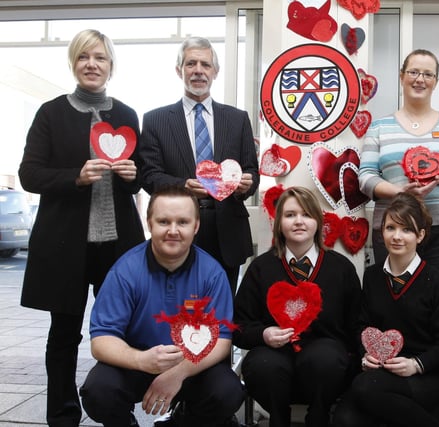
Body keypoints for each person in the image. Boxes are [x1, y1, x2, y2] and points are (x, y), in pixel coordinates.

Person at [18, 29, 145, 427]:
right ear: (73, 63)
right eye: (84, 57)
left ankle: (114, 405)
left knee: (121, 330)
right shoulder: (51, 113)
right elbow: (29, 174)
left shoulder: (126, 114)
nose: (92, 64)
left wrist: (131, 174)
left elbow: (136, 181)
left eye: (100, 58)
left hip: (117, 244)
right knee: (64, 335)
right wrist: (76, 175)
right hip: (66, 245)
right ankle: (62, 413)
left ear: (111, 65)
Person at [79, 185, 244, 427]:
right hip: (137, 361)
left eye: (183, 222)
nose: (173, 231)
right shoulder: (124, 271)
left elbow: (221, 341)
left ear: (196, 226)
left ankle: (185, 420)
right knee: (98, 391)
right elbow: (101, 341)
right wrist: (141, 360)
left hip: (190, 366)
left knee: (228, 391)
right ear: (150, 223)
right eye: (164, 221)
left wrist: (178, 373)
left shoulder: (212, 274)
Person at [233, 186, 362, 427]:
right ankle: (278, 419)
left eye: (306, 214)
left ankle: (319, 416)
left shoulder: (341, 268)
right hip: (273, 360)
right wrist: (263, 334)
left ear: (318, 221)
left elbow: (355, 324)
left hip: (326, 367)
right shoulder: (261, 268)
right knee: (263, 365)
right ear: (278, 222)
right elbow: (239, 326)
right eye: (290, 215)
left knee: (325, 358)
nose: (299, 222)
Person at [139, 36, 259, 294]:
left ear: (215, 72)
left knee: (221, 306)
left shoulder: (237, 119)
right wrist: (183, 186)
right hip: (178, 226)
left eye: (205, 64)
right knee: (178, 305)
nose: (198, 70)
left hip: (227, 230)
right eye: (190, 63)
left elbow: (251, 171)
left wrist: (245, 185)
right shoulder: (155, 120)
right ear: (179, 70)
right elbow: (148, 176)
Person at [332, 193, 439, 427]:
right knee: (344, 419)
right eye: (390, 228)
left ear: (420, 235)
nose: (397, 237)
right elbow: (362, 325)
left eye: (407, 230)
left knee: (364, 388)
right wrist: (365, 355)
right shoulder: (372, 277)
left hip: (426, 375)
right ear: (382, 233)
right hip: (380, 373)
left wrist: (416, 364)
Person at [358, 49, 439, 292]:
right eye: (413, 72)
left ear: (436, 82)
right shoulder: (379, 127)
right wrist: (397, 192)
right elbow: (365, 178)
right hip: (393, 228)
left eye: (428, 74)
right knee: (394, 296)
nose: (420, 79)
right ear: (402, 76)